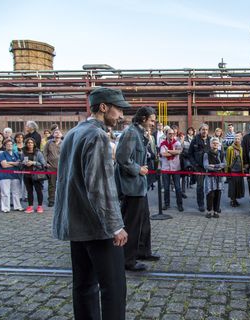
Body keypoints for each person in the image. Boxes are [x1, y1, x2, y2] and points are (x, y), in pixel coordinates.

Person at [52, 87, 129, 320]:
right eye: (118, 109)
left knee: (83, 285)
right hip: (98, 228)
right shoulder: (97, 136)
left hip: (76, 225)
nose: (121, 115)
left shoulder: (74, 132)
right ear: (103, 107)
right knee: (113, 288)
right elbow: (100, 187)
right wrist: (115, 226)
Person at [115, 106, 159, 272]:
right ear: (143, 119)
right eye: (152, 120)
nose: (154, 123)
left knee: (144, 221)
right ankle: (128, 259)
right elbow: (122, 157)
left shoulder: (139, 133)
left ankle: (143, 251)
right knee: (132, 224)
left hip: (140, 186)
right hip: (131, 187)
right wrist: (138, 169)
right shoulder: (131, 133)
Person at [188, 124, 211, 212]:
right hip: (199, 168)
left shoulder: (210, 140)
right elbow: (190, 154)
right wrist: (194, 165)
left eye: (206, 129)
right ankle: (201, 204)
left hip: (209, 168)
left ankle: (210, 204)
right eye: (203, 129)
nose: (205, 131)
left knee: (210, 186)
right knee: (200, 187)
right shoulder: (195, 140)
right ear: (200, 130)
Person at [160, 128, 184, 212]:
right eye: (169, 133)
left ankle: (179, 204)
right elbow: (163, 153)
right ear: (166, 134)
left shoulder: (177, 142)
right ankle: (166, 204)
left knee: (177, 187)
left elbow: (179, 152)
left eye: (173, 134)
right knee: (166, 187)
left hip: (176, 168)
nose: (171, 135)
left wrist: (169, 150)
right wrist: (173, 152)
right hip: (166, 168)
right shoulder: (162, 143)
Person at [21, 137, 46, 214]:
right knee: (29, 191)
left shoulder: (38, 153)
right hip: (26, 174)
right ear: (26, 144)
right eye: (28, 143)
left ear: (34, 144)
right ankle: (30, 206)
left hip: (36, 175)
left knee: (38, 191)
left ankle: (40, 206)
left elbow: (43, 164)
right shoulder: (24, 153)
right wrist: (24, 163)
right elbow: (21, 162)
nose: (30, 144)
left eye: (31, 143)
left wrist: (33, 163)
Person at [0, 139, 24, 213]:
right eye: (8, 144)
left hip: (15, 175)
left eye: (11, 144)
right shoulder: (2, 154)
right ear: (5, 146)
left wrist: (9, 162)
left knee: (16, 192)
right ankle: (5, 208)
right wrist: (14, 163)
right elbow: (4, 165)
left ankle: (17, 206)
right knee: (5, 193)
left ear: (13, 146)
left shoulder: (16, 154)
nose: (9, 146)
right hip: (4, 176)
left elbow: (19, 164)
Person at [203, 137, 226, 218]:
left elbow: (224, 164)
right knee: (210, 194)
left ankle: (216, 211)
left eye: (216, 143)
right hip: (210, 177)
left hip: (219, 177)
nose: (215, 144)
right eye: (213, 143)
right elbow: (206, 166)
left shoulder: (222, 153)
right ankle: (209, 211)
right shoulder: (206, 154)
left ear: (219, 144)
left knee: (218, 194)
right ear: (210, 144)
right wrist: (218, 167)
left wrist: (215, 166)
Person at [43, 128, 63, 207]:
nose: (57, 134)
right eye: (55, 133)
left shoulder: (64, 143)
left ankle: (61, 200)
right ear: (53, 135)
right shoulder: (48, 143)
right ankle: (51, 200)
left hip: (62, 167)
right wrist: (45, 163)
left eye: (59, 133)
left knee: (62, 184)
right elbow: (44, 153)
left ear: (61, 135)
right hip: (51, 167)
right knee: (52, 184)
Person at [226, 132, 245, 207]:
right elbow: (227, 160)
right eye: (236, 138)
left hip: (239, 170)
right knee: (232, 186)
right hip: (232, 170)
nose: (237, 140)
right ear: (234, 139)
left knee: (238, 186)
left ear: (240, 140)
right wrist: (227, 171)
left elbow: (241, 159)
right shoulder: (230, 148)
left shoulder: (241, 148)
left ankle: (235, 199)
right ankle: (232, 200)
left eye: (238, 139)